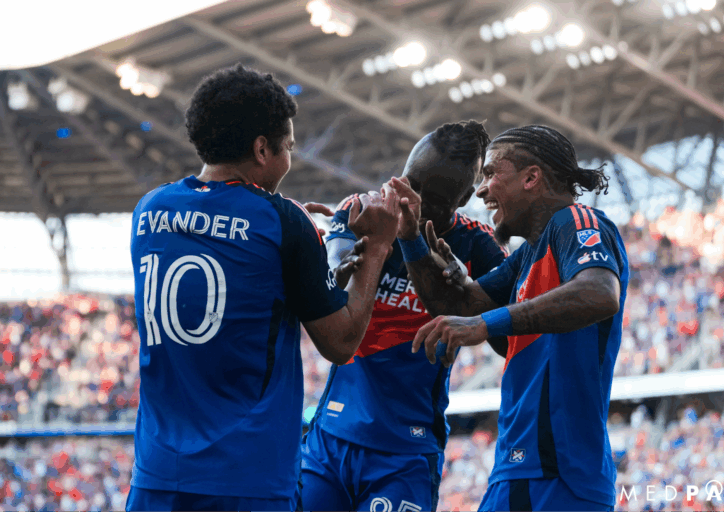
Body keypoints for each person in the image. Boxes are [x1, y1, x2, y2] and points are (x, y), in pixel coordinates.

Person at [126, 64, 400, 512]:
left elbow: (245, 284)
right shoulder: (282, 219)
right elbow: (341, 341)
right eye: (287, 147)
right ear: (261, 149)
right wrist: (378, 249)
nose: (290, 160)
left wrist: (321, 265)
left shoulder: (148, 211)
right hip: (247, 480)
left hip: (157, 477)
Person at [401, 125, 628, 511]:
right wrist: (409, 238)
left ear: (531, 178)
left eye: (490, 174)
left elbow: (599, 293)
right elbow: (461, 308)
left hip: (560, 473)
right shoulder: (526, 257)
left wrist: (487, 324)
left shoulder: (576, 221)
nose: (480, 190)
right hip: (517, 468)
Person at [301, 121, 509, 512]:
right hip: (330, 439)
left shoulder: (477, 245)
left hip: (405, 452)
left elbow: (503, 330)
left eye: (429, 200)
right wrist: (334, 255)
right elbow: (332, 275)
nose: (409, 201)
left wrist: (462, 288)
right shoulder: (363, 211)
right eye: (409, 182)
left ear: (463, 198)